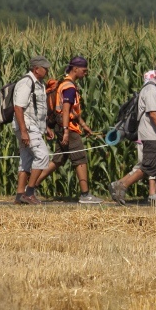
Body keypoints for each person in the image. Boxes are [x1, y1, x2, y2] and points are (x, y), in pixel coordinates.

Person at [109, 60, 156, 205]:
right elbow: (153, 114)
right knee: (149, 166)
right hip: (151, 134)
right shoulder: (151, 89)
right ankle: (121, 185)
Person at [36, 56, 102, 204]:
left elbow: (72, 111)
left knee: (58, 159)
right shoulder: (70, 87)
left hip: (62, 126)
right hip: (68, 128)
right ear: (75, 69)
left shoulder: (64, 84)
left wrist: (84, 126)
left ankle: (31, 186)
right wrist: (66, 131)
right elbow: (66, 110)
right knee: (80, 159)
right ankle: (85, 195)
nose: (86, 73)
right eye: (84, 70)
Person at [13, 56, 53, 205]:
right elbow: (18, 107)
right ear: (36, 69)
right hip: (27, 127)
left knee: (26, 160)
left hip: (33, 126)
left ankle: (19, 195)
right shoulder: (26, 83)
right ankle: (29, 193)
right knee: (43, 156)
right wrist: (24, 131)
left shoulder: (39, 84)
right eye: (45, 68)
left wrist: (45, 127)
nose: (47, 70)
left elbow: (36, 110)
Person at [127, 70, 156, 202]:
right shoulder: (149, 93)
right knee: (146, 165)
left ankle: (152, 194)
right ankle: (120, 185)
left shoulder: (144, 93)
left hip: (144, 135)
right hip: (146, 135)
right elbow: (153, 115)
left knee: (146, 165)